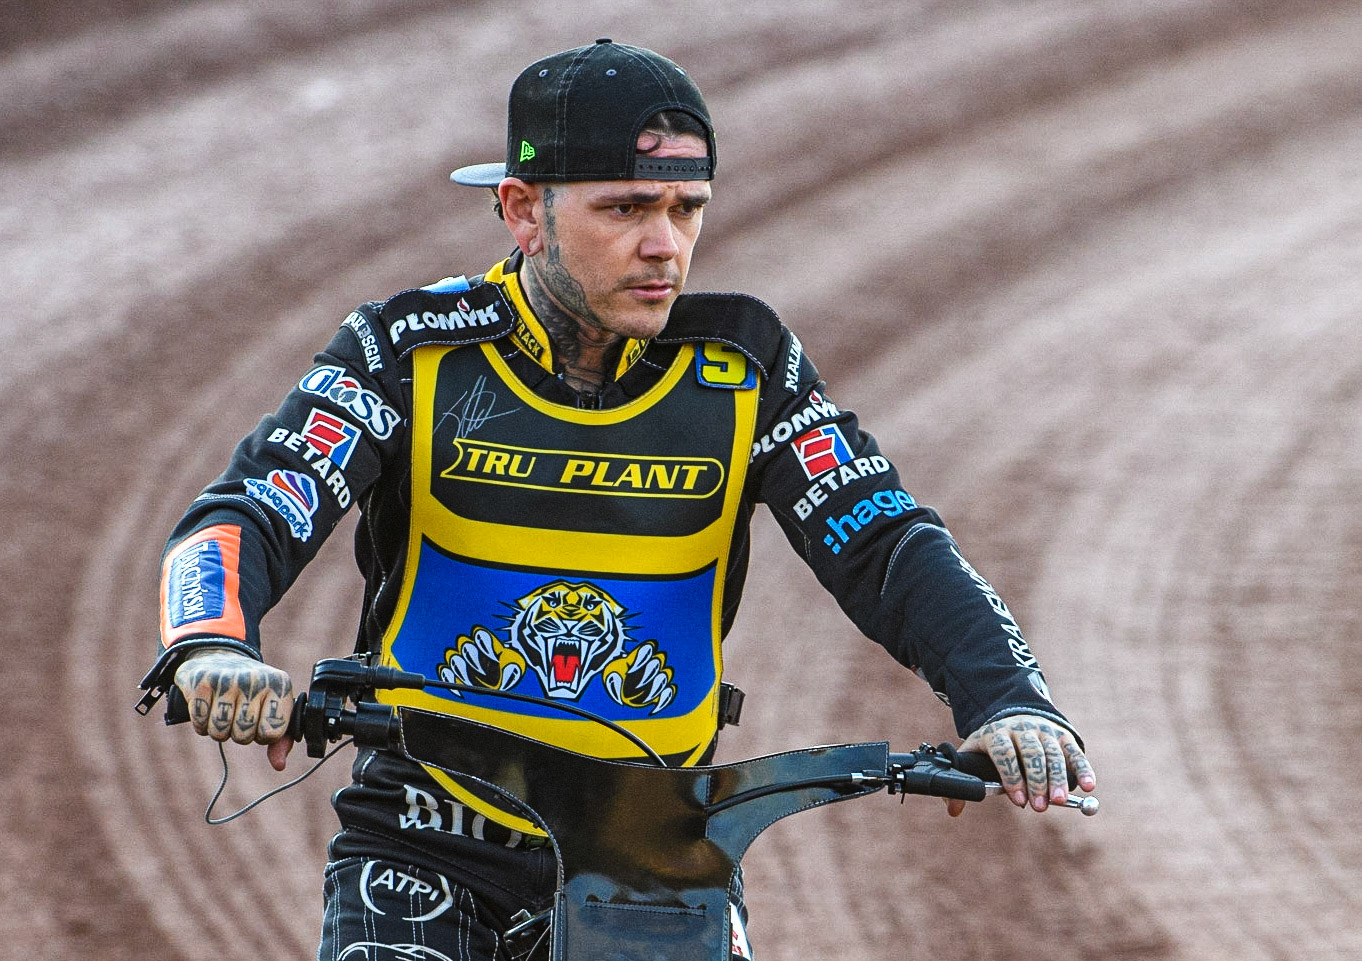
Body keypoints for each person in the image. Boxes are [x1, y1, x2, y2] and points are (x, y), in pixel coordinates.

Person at [138, 38, 1095, 961]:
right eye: (626, 207)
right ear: (523, 210)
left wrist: (1010, 701)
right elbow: (247, 510)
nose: (663, 246)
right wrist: (213, 645)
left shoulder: (741, 365)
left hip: (654, 854)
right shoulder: (412, 351)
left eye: (687, 209)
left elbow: (882, 540)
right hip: (424, 845)